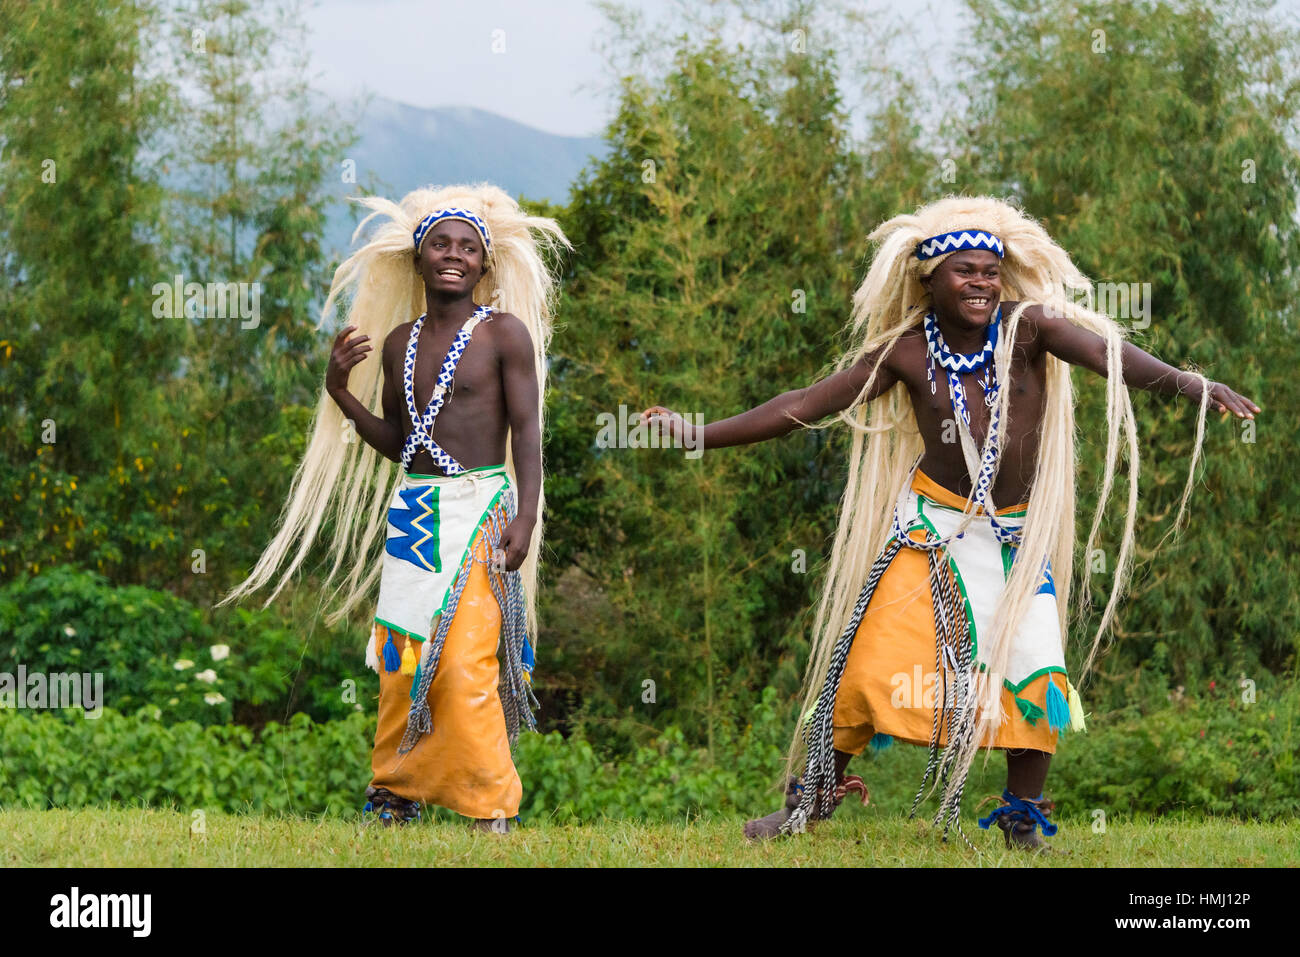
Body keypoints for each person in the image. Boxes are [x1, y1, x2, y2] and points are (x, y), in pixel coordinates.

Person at [642, 196, 1258, 850]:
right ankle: (810, 802)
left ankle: (1023, 818)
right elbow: (804, 403)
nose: (982, 282)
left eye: (991, 271)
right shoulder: (905, 354)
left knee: (1034, 669)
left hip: (1014, 536)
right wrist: (699, 434)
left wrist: (1191, 385)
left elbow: (1111, 355)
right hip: (932, 530)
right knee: (867, 660)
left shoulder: (1031, 328)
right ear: (929, 279)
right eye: (965, 271)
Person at [220, 184, 569, 831]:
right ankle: (393, 793)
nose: (454, 256)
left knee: (465, 658)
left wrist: (525, 516)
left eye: (468, 247)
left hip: (480, 511)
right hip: (415, 513)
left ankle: (490, 804)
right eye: (442, 244)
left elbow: (528, 432)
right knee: (401, 661)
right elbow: (400, 441)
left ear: (484, 263)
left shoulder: (503, 335)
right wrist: (339, 394)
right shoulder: (399, 342)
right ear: (419, 255)